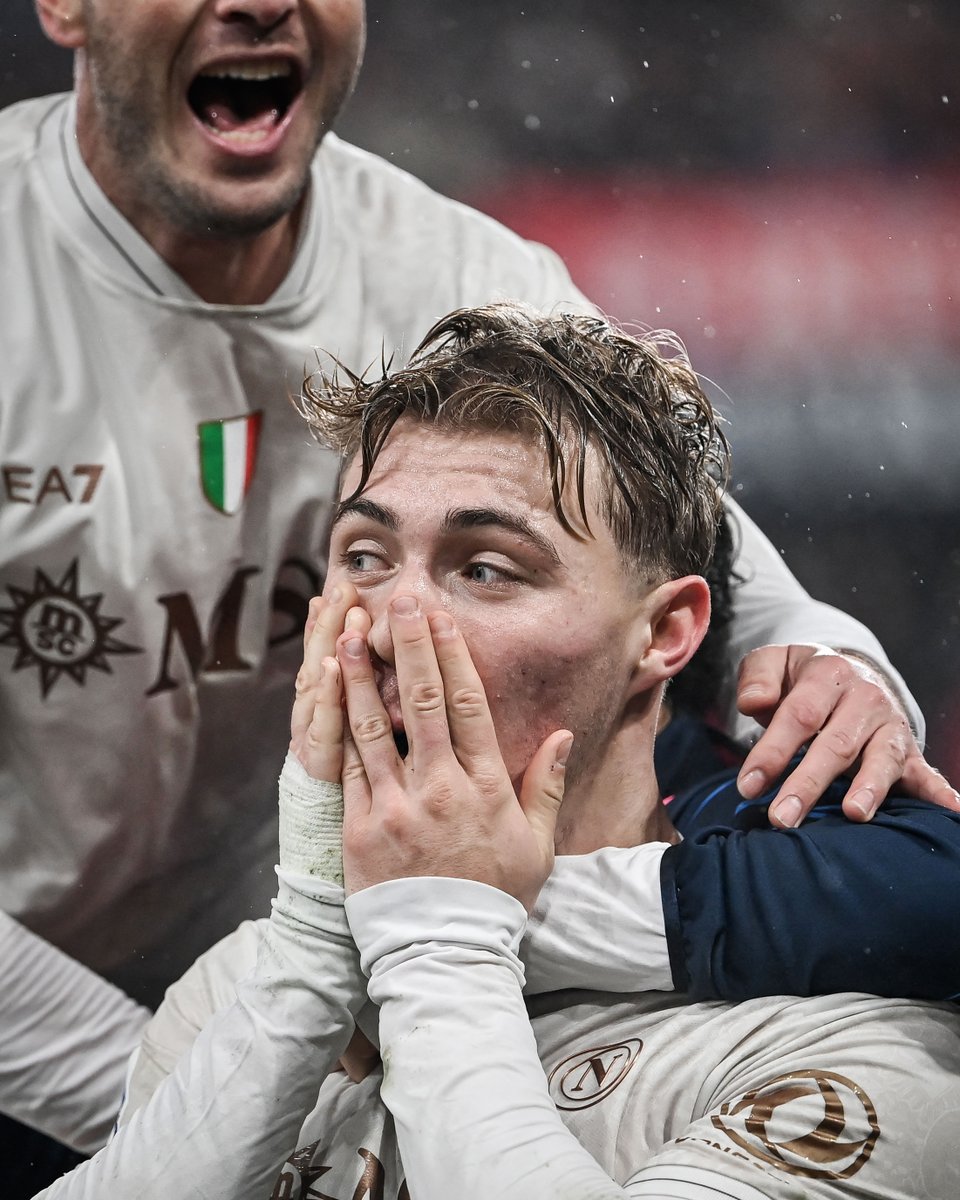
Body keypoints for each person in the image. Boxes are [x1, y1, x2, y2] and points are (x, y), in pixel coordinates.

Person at [2, 0, 953, 1180]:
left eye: (484, 565)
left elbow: (690, 554)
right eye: (362, 554)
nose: (403, 622)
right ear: (63, 10)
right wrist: (227, 1092)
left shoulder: (459, 269)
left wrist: (845, 670)